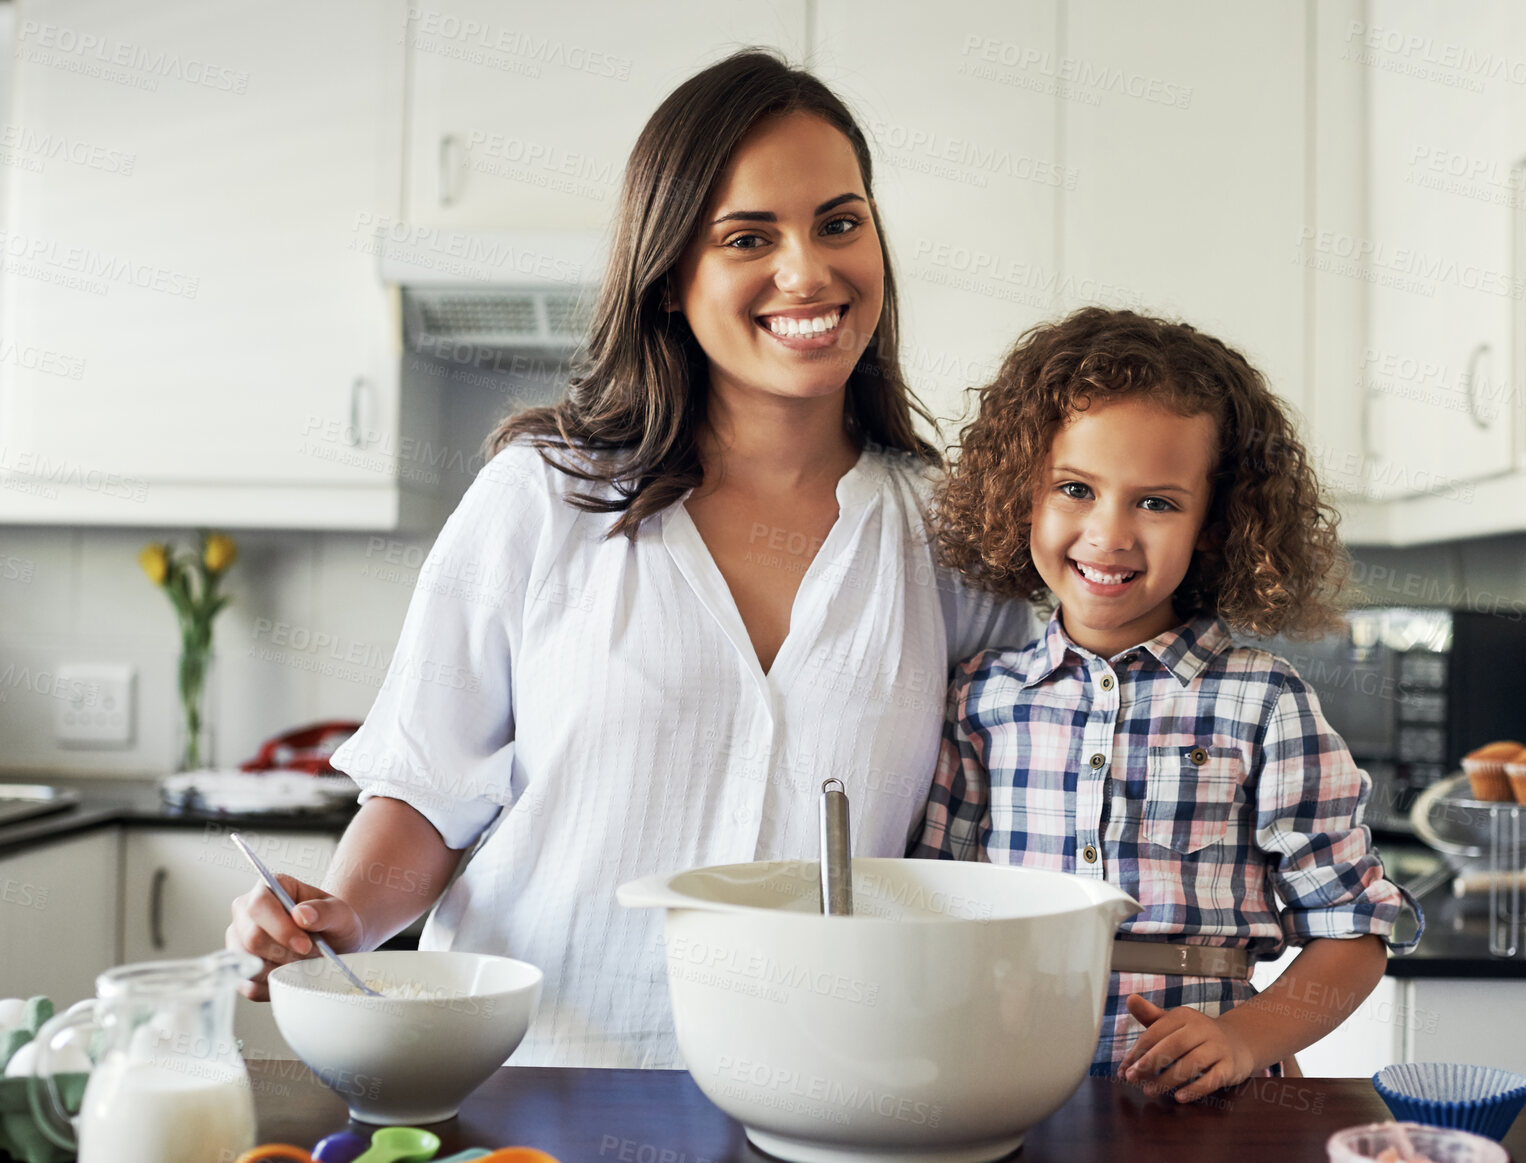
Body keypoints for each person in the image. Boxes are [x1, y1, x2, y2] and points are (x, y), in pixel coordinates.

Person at [227, 49, 1030, 1068]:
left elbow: (1016, 806)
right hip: (532, 1072)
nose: (810, 270)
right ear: (669, 279)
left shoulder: (950, 536)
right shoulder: (543, 495)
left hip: (825, 1086)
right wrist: (340, 914)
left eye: (839, 220)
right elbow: (427, 790)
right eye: (748, 236)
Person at [912, 307, 1422, 1099]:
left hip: (1211, 1111)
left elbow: (1355, 932)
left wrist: (1246, 1038)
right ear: (1023, 496)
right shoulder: (981, 699)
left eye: (1157, 502)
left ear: (1215, 527)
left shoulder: (1265, 704)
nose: (1108, 534)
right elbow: (930, 912)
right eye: (1076, 488)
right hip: (1008, 1095)